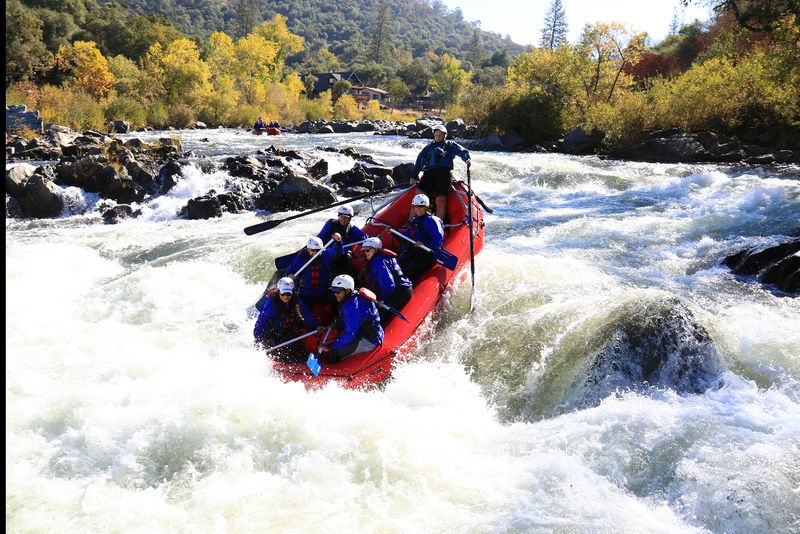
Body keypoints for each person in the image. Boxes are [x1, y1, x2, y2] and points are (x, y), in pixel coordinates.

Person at [412, 123, 471, 223]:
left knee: (440, 200)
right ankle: (411, 222)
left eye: (440, 135)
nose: (438, 136)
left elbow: (462, 151)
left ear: (444, 136)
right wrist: (414, 175)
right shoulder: (428, 148)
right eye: (436, 134)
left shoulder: (450, 146)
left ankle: (439, 224)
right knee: (418, 195)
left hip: (444, 174)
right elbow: (420, 161)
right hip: (429, 174)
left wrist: (467, 159)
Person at [318, 274, 384, 362]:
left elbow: (350, 334)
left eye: (338, 292)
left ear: (348, 290)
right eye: (334, 292)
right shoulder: (355, 296)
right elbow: (354, 319)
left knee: (331, 354)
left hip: (369, 341)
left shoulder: (351, 306)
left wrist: (330, 347)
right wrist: (335, 325)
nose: (335, 294)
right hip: (368, 333)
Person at [254, 277, 318, 361]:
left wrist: (315, 326)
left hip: (283, 331)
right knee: (289, 355)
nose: (286, 297)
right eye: (283, 294)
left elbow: (306, 313)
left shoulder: (295, 298)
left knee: (299, 351)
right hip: (270, 334)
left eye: (288, 294)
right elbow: (261, 323)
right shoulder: (271, 305)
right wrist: (258, 341)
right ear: (279, 292)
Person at [359, 237, 413, 323]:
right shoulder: (382, 257)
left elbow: (388, 284)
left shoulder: (378, 262)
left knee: (374, 316)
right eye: (364, 251)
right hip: (401, 290)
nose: (366, 253)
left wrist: (382, 299)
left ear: (376, 249)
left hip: (400, 293)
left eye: (367, 250)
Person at [397, 194, 445, 282]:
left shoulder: (433, 220)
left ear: (426, 207)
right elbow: (407, 236)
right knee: (396, 266)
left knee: (407, 272)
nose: (418, 209)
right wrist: (395, 233)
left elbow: (438, 241)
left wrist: (425, 244)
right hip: (417, 251)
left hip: (430, 254)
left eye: (421, 207)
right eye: (416, 207)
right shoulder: (415, 220)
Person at [287, 234, 343, 306]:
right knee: (297, 305)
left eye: (318, 250)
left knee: (337, 300)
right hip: (305, 293)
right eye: (312, 250)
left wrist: (338, 242)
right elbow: (291, 269)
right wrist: (290, 276)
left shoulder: (326, 253)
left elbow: (337, 252)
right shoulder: (301, 258)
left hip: (323, 291)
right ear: (308, 250)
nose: (315, 253)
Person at [317, 205, 368, 277]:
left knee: (351, 269)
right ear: (338, 216)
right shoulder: (331, 224)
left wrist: (376, 238)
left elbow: (365, 239)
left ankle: (354, 284)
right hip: (327, 254)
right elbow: (320, 237)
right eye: (341, 217)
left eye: (346, 218)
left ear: (350, 218)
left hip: (343, 256)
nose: (343, 219)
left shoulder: (352, 229)